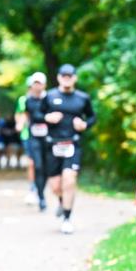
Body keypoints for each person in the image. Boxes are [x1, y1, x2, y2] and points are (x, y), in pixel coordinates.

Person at [36, 64, 96, 234]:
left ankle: (67, 218)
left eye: (70, 76)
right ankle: (63, 203)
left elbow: (92, 117)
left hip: (73, 144)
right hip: (53, 145)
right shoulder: (49, 96)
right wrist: (47, 117)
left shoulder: (82, 98)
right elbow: (36, 115)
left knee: (69, 179)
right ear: (58, 77)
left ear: (75, 78)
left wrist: (84, 125)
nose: (67, 78)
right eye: (64, 75)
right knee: (55, 186)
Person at [15, 72, 49, 210]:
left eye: (39, 83)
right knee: (34, 164)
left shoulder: (50, 98)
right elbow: (22, 115)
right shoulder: (25, 100)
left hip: (48, 138)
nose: (37, 86)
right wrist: (19, 124)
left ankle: (39, 188)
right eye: (34, 83)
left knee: (45, 166)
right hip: (30, 136)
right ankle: (35, 191)